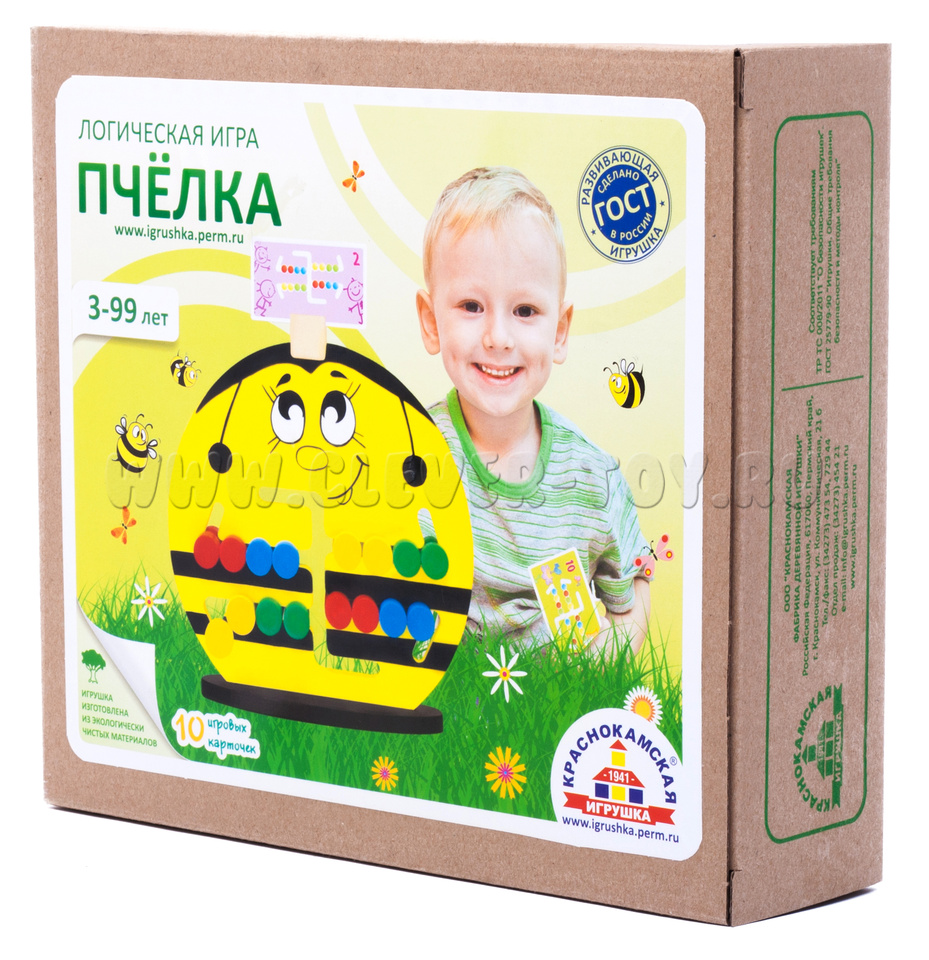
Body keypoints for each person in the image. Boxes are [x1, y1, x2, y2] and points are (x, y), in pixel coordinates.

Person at [416, 167, 652, 658]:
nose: (498, 337)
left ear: (559, 331)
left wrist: (604, 665)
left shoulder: (591, 476)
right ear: (430, 321)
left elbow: (633, 590)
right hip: (447, 688)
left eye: (525, 311)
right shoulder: (409, 451)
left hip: (556, 683)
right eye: (471, 306)